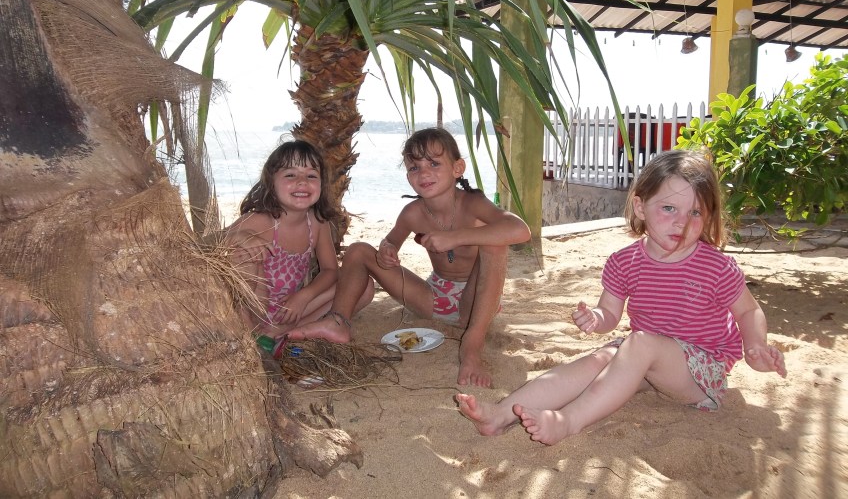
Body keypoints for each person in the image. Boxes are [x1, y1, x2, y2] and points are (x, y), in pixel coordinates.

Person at [456, 149, 787, 445]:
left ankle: (568, 421)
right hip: (648, 363)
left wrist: (755, 345)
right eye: (669, 208)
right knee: (598, 360)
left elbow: (748, 311)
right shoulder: (625, 262)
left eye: (695, 213)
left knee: (639, 343)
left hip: (700, 373)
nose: (682, 222)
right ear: (640, 207)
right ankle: (500, 414)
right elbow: (610, 314)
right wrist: (595, 318)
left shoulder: (715, 266)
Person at [289, 127, 531, 387]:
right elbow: (390, 241)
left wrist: (456, 237)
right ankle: (338, 321)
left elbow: (520, 230)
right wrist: (387, 251)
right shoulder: (412, 213)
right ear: (408, 176)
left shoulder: (473, 204)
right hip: (433, 298)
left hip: (476, 303)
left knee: (495, 243)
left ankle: (471, 346)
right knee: (358, 250)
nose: (423, 173)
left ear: (457, 168)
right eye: (414, 167)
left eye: (434, 163)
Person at [225, 139, 374, 346]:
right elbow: (212, 243)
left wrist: (303, 297)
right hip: (253, 310)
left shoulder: (317, 223)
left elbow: (330, 270)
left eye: (311, 175)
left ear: (322, 184)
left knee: (364, 286)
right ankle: (251, 338)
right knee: (241, 253)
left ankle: (280, 335)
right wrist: (239, 237)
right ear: (271, 182)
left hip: (289, 309)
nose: (302, 181)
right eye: (290, 175)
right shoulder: (260, 219)